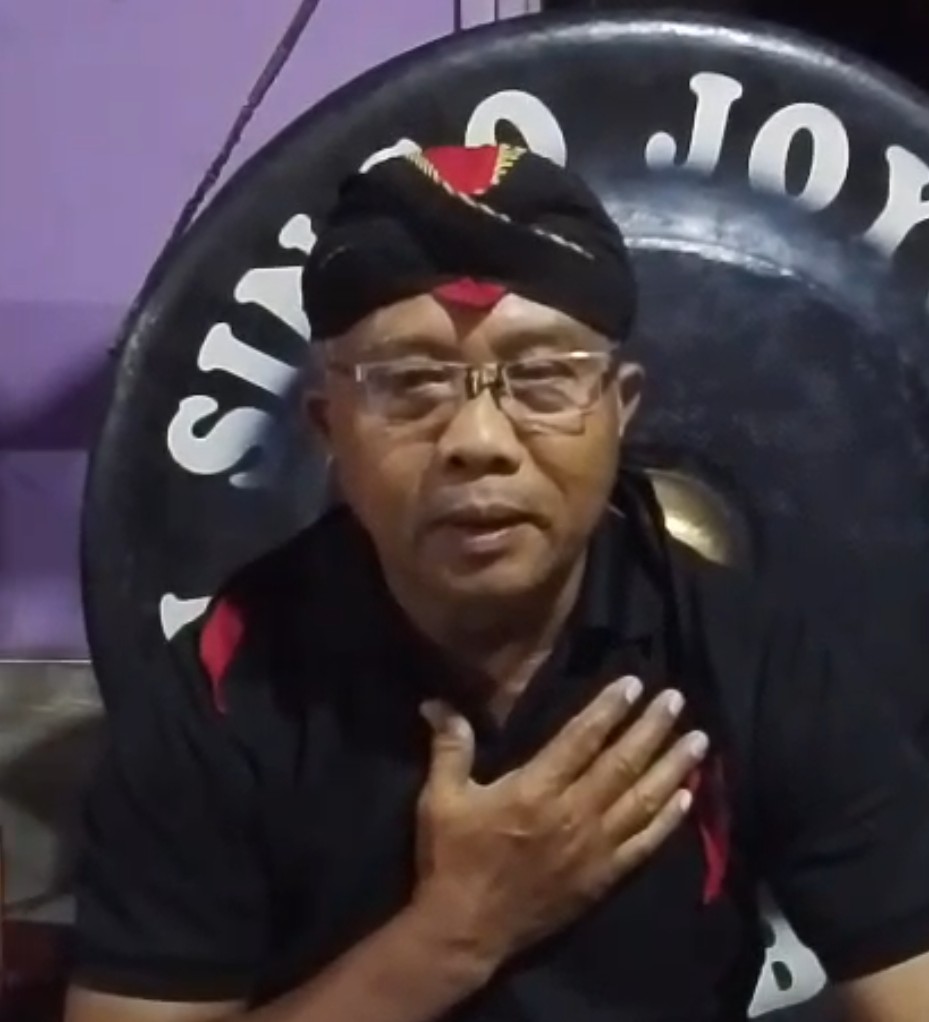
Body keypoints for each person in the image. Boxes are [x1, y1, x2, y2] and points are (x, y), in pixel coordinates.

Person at [65, 145, 929, 1022]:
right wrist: (451, 937)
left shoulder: (752, 659)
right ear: (328, 429)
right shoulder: (221, 693)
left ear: (618, 409)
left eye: (541, 379)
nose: (478, 440)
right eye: (410, 385)